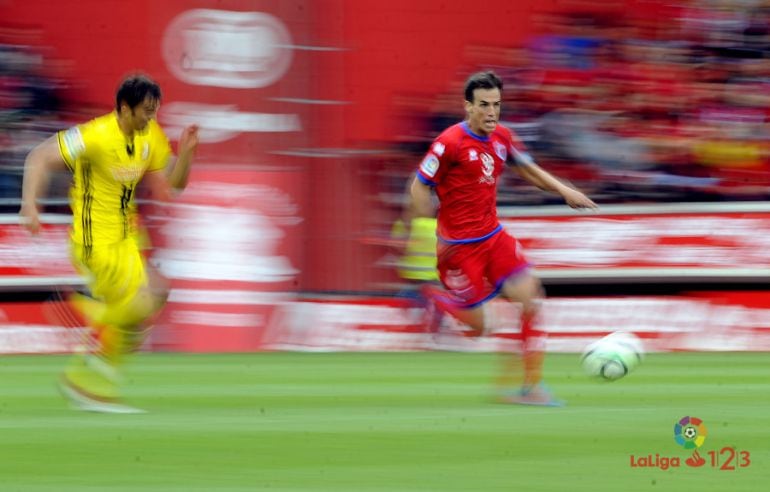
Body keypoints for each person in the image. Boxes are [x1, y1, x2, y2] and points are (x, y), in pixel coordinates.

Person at [410, 70, 597, 406]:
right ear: (468, 106)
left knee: (530, 297)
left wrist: (563, 190)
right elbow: (420, 182)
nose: (491, 112)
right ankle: (436, 299)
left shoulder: (503, 138)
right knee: (481, 329)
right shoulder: (449, 142)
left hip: (493, 237)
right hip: (457, 250)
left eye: (496, 104)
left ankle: (531, 388)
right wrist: (424, 215)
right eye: (483, 105)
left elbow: (528, 169)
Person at [20, 74, 199, 413]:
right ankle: (84, 348)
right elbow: (39, 157)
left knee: (156, 294)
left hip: (127, 236)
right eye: (146, 110)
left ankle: (96, 383)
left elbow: (175, 184)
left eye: (154, 111)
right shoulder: (95, 135)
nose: (151, 117)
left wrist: (188, 153)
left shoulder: (150, 136)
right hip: (94, 240)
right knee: (141, 301)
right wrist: (30, 203)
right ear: (124, 108)